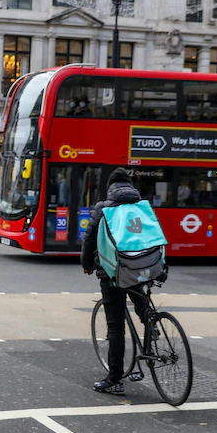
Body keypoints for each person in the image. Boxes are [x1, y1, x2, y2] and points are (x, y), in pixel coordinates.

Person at [80, 168, 152, 396]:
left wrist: (87, 264)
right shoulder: (142, 207)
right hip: (141, 266)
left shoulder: (103, 209)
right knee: (139, 294)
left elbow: (89, 240)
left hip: (112, 272)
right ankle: (150, 321)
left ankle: (115, 379)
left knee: (116, 327)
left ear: (110, 187)